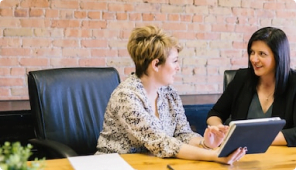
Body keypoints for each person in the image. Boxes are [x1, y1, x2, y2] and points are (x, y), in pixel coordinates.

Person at [96, 25, 246, 164]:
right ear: (155, 64)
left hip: (153, 163)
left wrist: (205, 143)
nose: (178, 68)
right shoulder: (126, 96)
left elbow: (183, 133)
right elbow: (161, 143)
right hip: (115, 164)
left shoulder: (169, 93)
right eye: (174, 61)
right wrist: (214, 155)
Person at [207, 27, 296, 147]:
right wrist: (218, 128)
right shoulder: (242, 78)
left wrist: (254, 138)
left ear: (278, 56)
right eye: (252, 52)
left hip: (282, 158)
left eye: (262, 54)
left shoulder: (294, 83)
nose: (253, 59)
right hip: (241, 155)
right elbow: (215, 113)